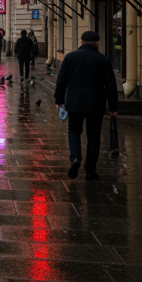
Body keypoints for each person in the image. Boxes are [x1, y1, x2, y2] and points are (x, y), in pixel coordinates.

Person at [54, 31, 118, 180]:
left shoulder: (70, 57)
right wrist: (113, 107)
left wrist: (59, 100)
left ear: (81, 42)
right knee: (93, 135)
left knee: (74, 131)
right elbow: (110, 85)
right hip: (96, 103)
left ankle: (76, 157)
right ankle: (90, 170)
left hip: (75, 102)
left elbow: (61, 80)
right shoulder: (103, 59)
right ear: (97, 43)